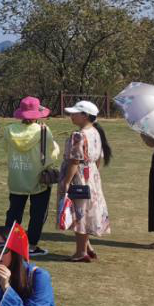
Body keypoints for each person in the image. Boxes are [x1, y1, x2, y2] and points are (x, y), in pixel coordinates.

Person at [4, 96, 60, 257]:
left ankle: (9, 243)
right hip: (38, 178)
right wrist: (57, 148)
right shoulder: (43, 130)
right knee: (38, 214)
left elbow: (6, 150)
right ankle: (32, 246)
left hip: (16, 177)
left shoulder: (9, 129)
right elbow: (51, 154)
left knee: (14, 212)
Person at [60, 100, 112, 262]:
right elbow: (99, 158)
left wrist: (66, 182)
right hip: (91, 174)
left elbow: (75, 161)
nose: (71, 116)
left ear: (85, 116)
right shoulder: (96, 132)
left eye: (74, 113)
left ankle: (80, 252)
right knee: (87, 210)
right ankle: (87, 247)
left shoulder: (78, 135)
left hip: (79, 176)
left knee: (79, 212)